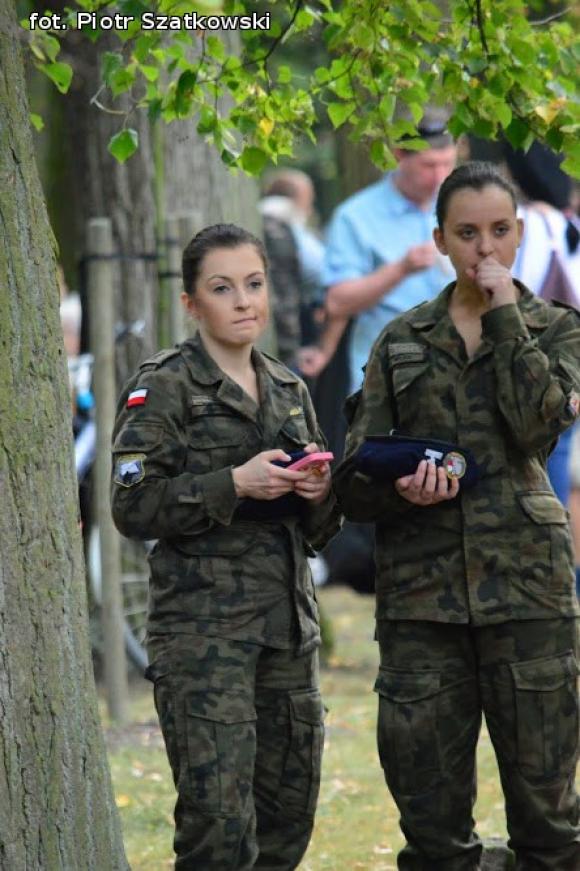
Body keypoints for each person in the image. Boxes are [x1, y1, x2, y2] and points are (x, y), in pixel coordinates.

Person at [334, 162, 580, 869]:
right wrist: (398, 490)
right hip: (421, 602)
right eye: (467, 234)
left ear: (521, 232)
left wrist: (504, 316)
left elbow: (538, 425)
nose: (485, 250)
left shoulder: (555, 328)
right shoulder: (401, 339)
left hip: (528, 596)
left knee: (551, 829)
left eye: (500, 231)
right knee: (434, 833)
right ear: (439, 239)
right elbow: (355, 475)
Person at [110, 223, 340, 870]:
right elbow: (131, 504)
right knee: (217, 821)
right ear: (191, 303)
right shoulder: (165, 386)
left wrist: (318, 493)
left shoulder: (291, 390)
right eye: (222, 288)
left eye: (254, 284)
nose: (244, 301)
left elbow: (320, 531)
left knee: (288, 813)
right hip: (203, 638)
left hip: (287, 633)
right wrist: (233, 483)